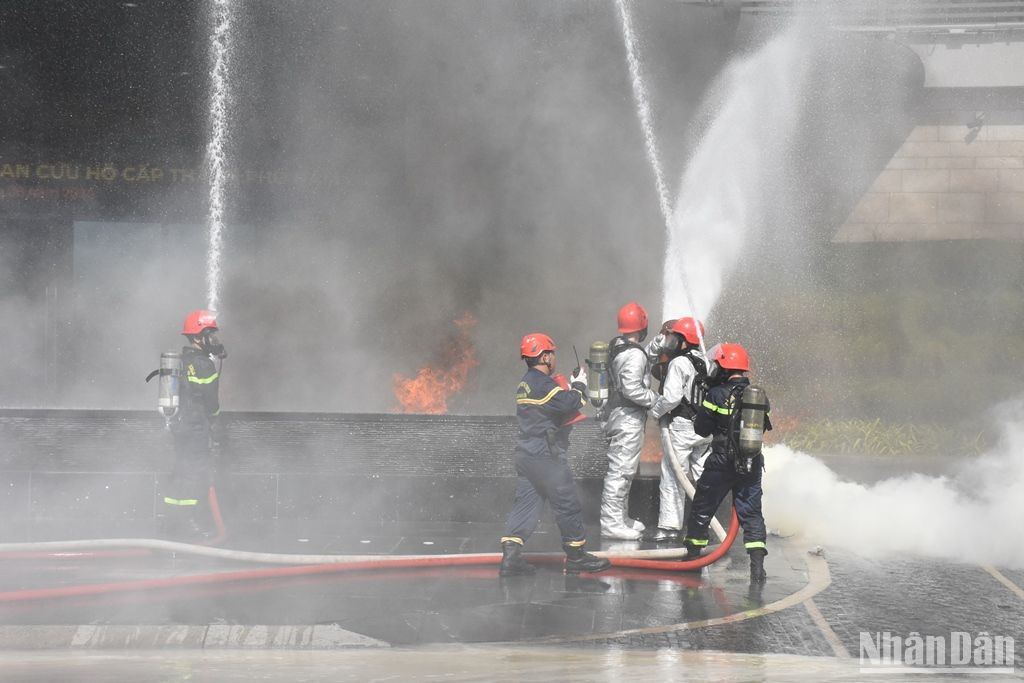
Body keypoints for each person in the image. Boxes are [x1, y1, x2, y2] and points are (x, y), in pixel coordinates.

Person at [499, 333, 611, 576]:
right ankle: (576, 556)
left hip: (526, 455)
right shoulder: (542, 385)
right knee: (566, 502)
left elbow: (549, 407)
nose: (554, 358)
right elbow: (570, 402)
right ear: (545, 356)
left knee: (526, 503)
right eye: (553, 353)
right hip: (545, 457)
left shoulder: (526, 383)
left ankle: (511, 557)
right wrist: (580, 384)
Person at [683, 343, 772, 584]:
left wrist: (702, 404)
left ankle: (692, 559)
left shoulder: (716, 394)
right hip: (751, 462)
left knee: (702, 507)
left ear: (723, 367)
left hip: (721, 461)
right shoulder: (758, 396)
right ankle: (757, 569)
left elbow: (702, 429)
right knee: (752, 513)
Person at [645, 317, 712, 543]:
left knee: (674, 476)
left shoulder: (679, 363)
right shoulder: (707, 360)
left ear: (685, 341)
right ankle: (706, 523)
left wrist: (655, 411)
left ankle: (670, 528)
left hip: (682, 427)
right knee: (704, 476)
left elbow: (672, 398)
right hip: (705, 428)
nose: (671, 341)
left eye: (676, 337)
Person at [162, 309, 226, 540]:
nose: (214, 339)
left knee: (181, 469)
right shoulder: (203, 365)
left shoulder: (182, 361)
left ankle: (173, 521)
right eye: (210, 334)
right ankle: (189, 522)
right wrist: (216, 420)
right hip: (196, 424)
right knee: (195, 471)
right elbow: (211, 400)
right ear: (198, 337)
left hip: (180, 424)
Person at [600, 302, 659, 540]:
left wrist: (658, 344)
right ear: (642, 325)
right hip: (628, 418)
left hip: (619, 415)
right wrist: (654, 399)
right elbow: (632, 389)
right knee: (621, 471)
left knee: (625, 470)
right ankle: (611, 523)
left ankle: (620, 518)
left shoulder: (620, 347)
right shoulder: (633, 355)